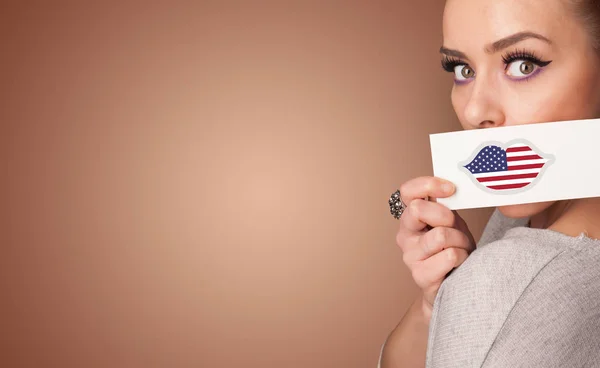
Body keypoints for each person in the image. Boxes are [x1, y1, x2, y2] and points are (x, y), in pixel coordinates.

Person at [379, 0, 600, 367]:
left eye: (522, 64)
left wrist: (472, 298)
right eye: (463, 69)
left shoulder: (506, 277)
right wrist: (437, 302)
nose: (474, 111)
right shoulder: (520, 216)